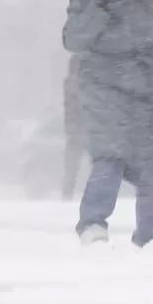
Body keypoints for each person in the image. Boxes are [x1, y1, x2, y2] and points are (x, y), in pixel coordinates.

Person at [63, 0, 153, 247]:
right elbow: (75, 39)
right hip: (104, 84)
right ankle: (93, 225)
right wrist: (101, 7)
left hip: (148, 84)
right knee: (110, 156)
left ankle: (151, 237)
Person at [61, 54, 86, 200]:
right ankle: (68, 193)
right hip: (84, 130)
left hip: (74, 131)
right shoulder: (78, 84)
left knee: (71, 167)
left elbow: (69, 110)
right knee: (97, 167)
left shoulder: (69, 83)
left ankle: (67, 193)